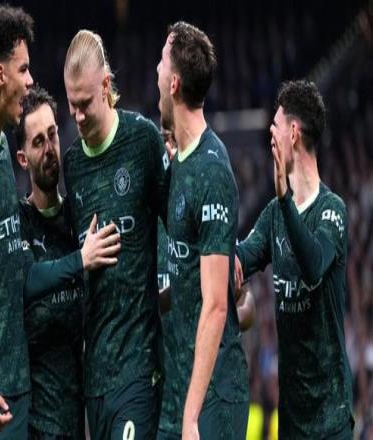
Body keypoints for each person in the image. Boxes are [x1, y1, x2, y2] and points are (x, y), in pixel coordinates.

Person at [0, 6, 117, 437]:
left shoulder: (1, 149)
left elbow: (17, 275)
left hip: (18, 393)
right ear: (0, 74)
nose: (30, 79)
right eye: (24, 69)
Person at [63, 29, 170, 439]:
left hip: (140, 366)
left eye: (85, 104)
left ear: (106, 86)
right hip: (95, 379)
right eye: (71, 104)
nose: (77, 116)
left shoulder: (142, 141)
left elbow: (175, 224)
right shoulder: (73, 165)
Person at [236, 79, 354, 438]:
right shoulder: (273, 214)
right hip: (291, 422)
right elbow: (240, 259)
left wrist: (285, 199)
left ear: (293, 133)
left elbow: (314, 265)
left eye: (275, 125)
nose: (269, 134)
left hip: (330, 418)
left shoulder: (331, 210)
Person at [156, 21, 249, 439]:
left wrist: (191, 417)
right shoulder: (181, 162)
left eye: (161, 62)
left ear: (174, 84)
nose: (155, 71)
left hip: (211, 400)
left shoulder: (211, 168)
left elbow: (215, 306)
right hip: (182, 391)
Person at [15, 84, 120, 439]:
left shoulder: (80, 218)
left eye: (52, 135)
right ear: (23, 158)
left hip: (82, 422)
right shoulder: (19, 222)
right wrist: (81, 260)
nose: (49, 149)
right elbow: (27, 280)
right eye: (38, 142)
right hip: (35, 427)